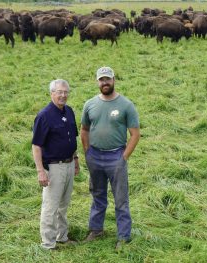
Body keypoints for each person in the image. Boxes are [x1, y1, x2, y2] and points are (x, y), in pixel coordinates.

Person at [81, 66, 140, 250]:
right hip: (95, 156)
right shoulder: (90, 104)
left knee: (120, 198)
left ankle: (123, 237)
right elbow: (84, 130)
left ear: (114, 80)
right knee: (97, 195)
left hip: (116, 156)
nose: (104, 83)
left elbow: (135, 134)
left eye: (107, 79)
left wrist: (123, 157)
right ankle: (96, 230)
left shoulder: (126, 105)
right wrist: (87, 152)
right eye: (101, 80)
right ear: (97, 82)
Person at [32, 79, 79, 250]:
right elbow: (36, 145)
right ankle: (48, 243)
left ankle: (62, 236)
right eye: (59, 92)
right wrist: (40, 171)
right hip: (53, 167)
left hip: (68, 164)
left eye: (66, 92)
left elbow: (72, 138)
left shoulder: (69, 111)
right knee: (50, 206)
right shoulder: (44, 115)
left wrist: (75, 159)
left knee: (63, 204)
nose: (63, 95)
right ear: (51, 93)